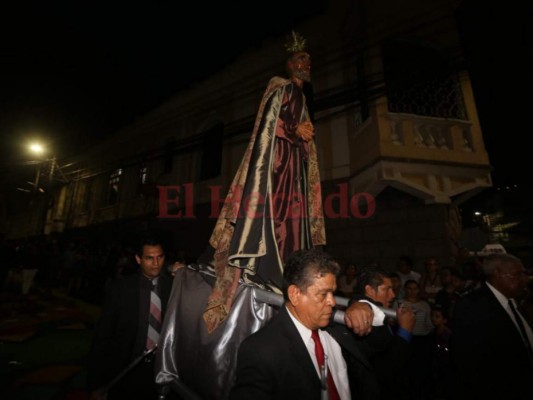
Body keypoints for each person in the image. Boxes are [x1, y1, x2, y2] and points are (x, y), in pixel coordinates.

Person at [199, 31, 326, 333]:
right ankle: (267, 272)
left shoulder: (303, 97)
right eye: (300, 59)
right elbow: (270, 125)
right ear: (289, 64)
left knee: (296, 223)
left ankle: (293, 276)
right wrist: (296, 132)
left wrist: (304, 143)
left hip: (294, 170)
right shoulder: (279, 86)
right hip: (277, 167)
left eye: (308, 60)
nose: (306, 64)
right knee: (276, 220)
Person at [230, 248, 377, 400]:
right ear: (295, 294)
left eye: (333, 293)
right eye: (323, 294)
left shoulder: (339, 329)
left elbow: (382, 346)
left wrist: (364, 304)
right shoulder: (262, 350)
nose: (332, 302)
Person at [87, 235, 174, 400]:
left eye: (160, 257)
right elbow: (102, 336)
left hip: (162, 367)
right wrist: (96, 383)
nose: (156, 263)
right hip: (127, 369)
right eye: (149, 258)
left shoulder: (173, 285)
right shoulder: (120, 289)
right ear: (138, 259)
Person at [450, 253, 533, 400]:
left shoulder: (515, 302)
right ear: (498, 274)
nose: (525, 280)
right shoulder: (471, 306)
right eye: (518, 274)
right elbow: (470, 362)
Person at [349, 265, 416, 400]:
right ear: (369, 290)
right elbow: (388, 367)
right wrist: (405, 330)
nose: (393, 294)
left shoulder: (375, 311)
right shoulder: (367, 318)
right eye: (386, 289)